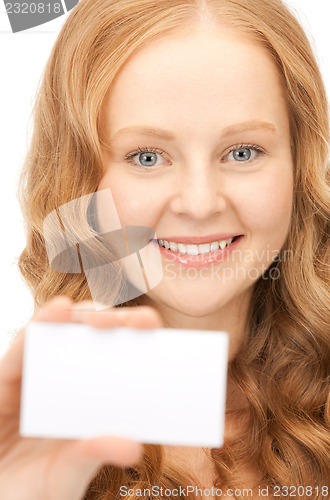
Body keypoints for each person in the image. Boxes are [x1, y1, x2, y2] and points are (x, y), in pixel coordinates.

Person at [0, 0, 329, 498]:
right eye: (147, 157)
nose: (199, 203)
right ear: (81, 179)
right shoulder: (25, 436)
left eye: (242, 152)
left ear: (300, 165)